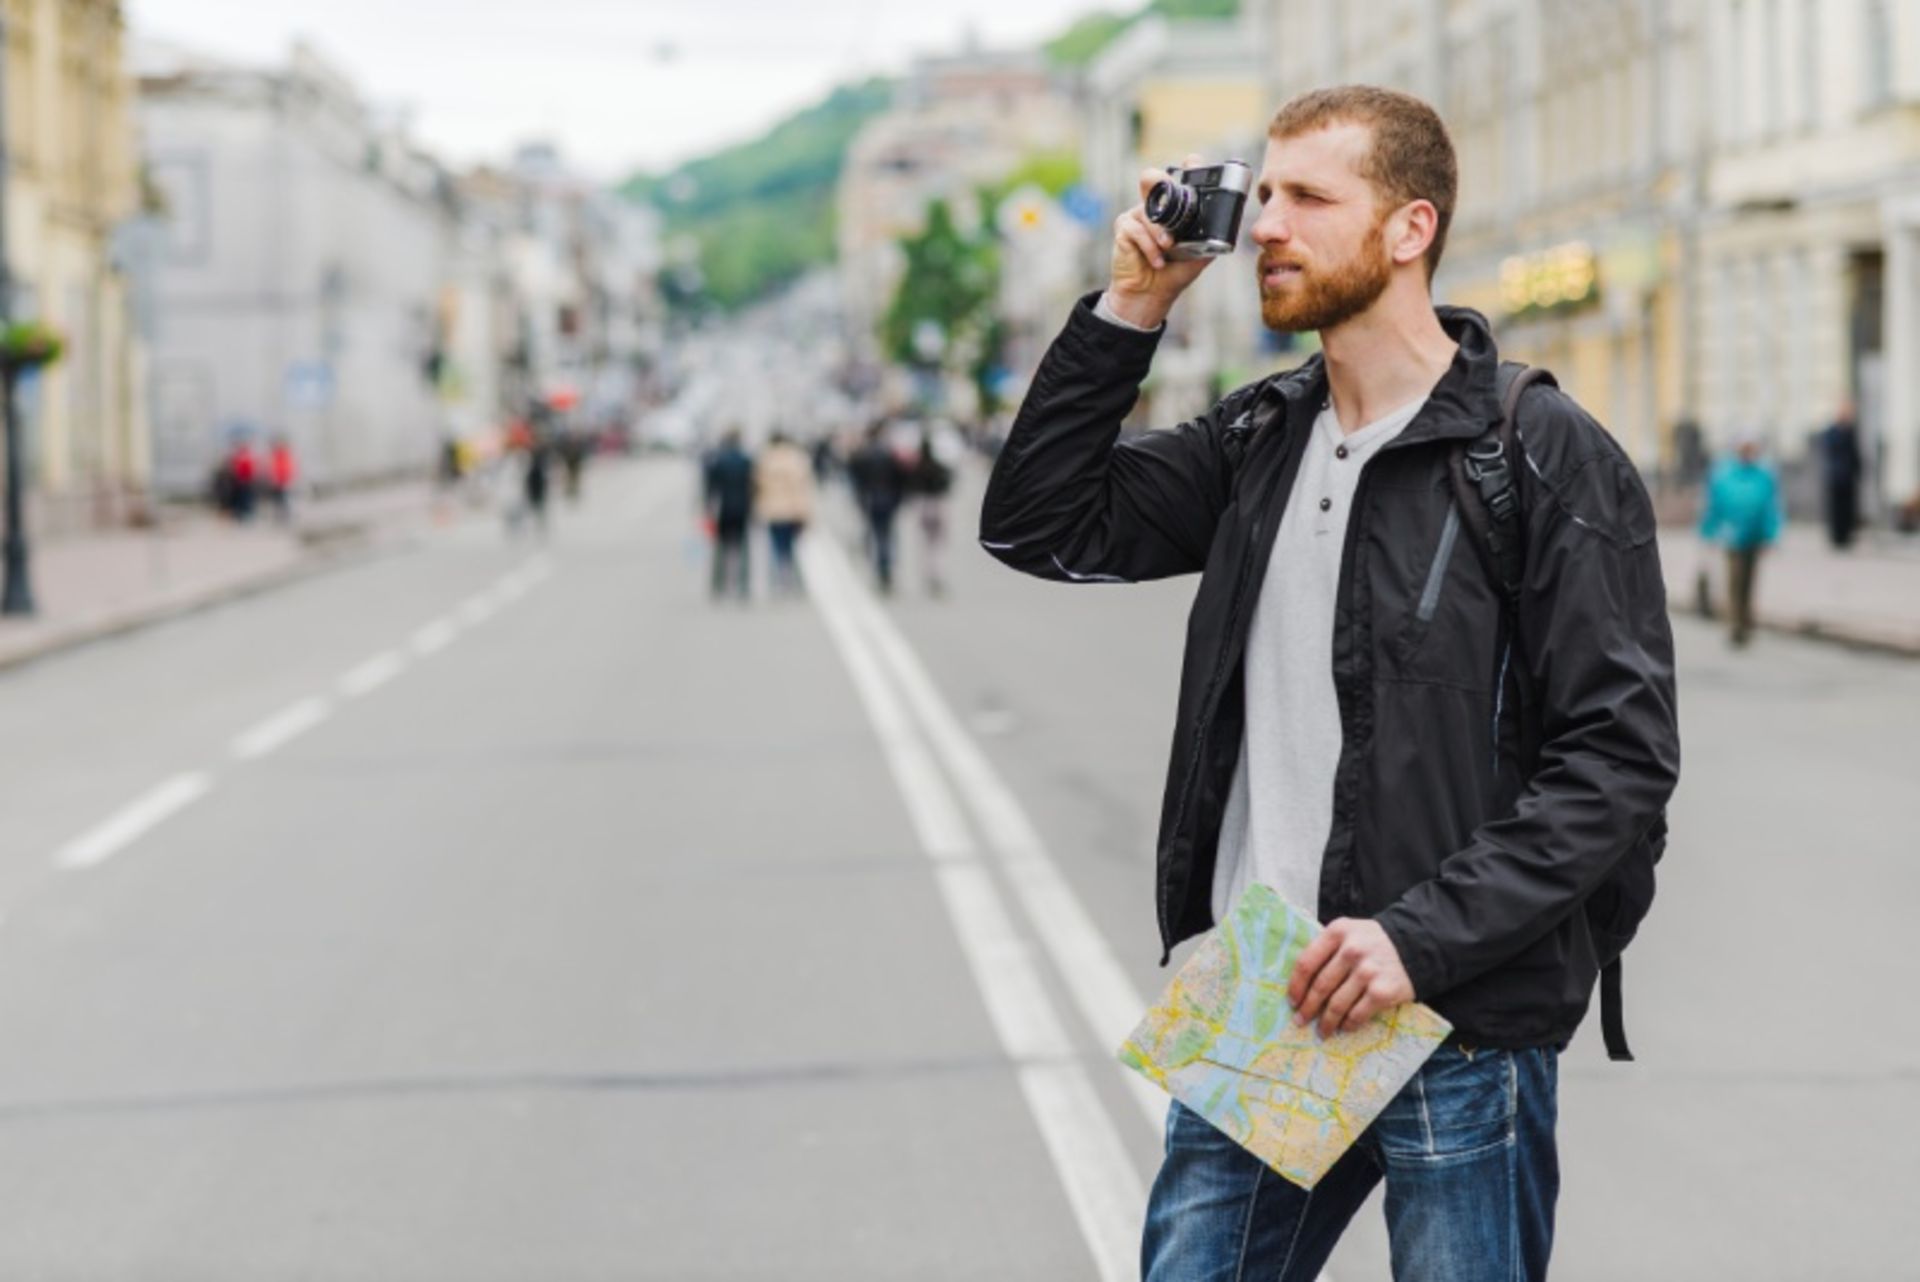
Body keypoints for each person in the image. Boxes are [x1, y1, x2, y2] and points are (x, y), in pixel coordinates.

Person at [980, 86, 1680, 1281]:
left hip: (1454, 1008)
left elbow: (1616, 763)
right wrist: (1131, 309)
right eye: (1264, 196)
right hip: (1271, 992)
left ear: (1409, 229)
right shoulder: (1263, 437)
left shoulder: (1541, 453)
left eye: (1309, 197)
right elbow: (1040, 523)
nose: (1267, 225)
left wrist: (1416, 938)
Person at [1699, 432, 1783, 648]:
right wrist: (1708, 532)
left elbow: (1771, 507)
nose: (1748, 452)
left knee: (1749, 580)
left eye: (1751, 448)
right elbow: (1714, 504)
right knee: (1735, 580)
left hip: (1754, 535)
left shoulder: (1763, 475)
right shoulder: (1725, 474)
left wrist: (1772, 534)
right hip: (1732, 535)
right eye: (1744, 448)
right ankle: (1736, 623)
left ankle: (1746, 619)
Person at [847, 422, 908, 595]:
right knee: (887, 534)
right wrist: (899, 498)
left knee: (876, 533)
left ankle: (881, 567)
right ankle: (886, 567)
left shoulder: (862, 455)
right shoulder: (889, 454)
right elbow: (900, 479)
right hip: (888, 499)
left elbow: (857, 479)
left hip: (871, 499)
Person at [755, 431, 815, 596]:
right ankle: (792, 578)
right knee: (791, 546)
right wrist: (805, 512)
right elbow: (802, 489)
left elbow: (758, 488)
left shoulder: (765, 460)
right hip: (792, 509)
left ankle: (779, 578)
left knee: (776, 546)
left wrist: (759, 509)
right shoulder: (796, 460)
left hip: (772, 510)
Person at [703, 430, 755, 601]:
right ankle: (743, 585)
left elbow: (710, 488)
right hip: (743, 509)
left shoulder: (718, 461)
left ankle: (718, 585)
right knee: (743, 548)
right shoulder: (747, 461)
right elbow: (753, 486)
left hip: (723, 510)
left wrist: (708, 509)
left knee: (721, 548)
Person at [908, 430, 955, 597]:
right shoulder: (939, 467)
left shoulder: (917, 467)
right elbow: (948, 484)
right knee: (939, 544)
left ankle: (928, 574)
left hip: (922, 506)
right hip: (939, 505)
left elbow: (910, 486)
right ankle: (938, 574)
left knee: (925, 544)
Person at [1819, 402, 1863, 549]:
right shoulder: (1832, 432)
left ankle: (1846, 535)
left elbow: (1855, 453)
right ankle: (1837, 536)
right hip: (1836, 475)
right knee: (1836, 508)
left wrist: (1858, 471)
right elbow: (1829, 450)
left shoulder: (1850, 431)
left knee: (1848, 508)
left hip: (1848, 476)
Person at [267, 436, 296, 523]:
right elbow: (273, 469)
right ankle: (280, 515)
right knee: (278, 499)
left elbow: (288, 468)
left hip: (283, 481)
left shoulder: (284, 455)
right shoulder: (275, 456)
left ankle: (287, 515)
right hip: (277, 481)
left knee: (285, 498)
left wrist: (286, 479)